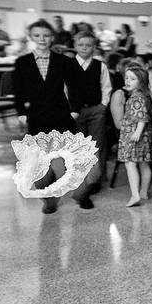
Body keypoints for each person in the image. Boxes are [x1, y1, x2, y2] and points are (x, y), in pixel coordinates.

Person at [13, 19, 78, 214]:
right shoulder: (22, 62)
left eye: (46, 35)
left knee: (62, 161)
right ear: (30, 37)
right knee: (40, 162)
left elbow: (74, 87)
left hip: (61, 115)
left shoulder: (63, 60)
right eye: (37, 35)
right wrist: (21, 113)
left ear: (52, 37)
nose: (42, 39)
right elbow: (18, 91)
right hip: (36, 116)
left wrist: (74, 110)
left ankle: (59, 192)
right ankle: (47, 198)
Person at [69, 30, 111, 208]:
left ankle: (94, 181)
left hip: (96, 111)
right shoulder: (68, 65)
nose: (84, 48)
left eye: (88, 45)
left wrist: (103, 105)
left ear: (94, 48)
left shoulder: (100, 66)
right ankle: (80, 180)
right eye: (81, 45)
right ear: (75, 46)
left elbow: (106, 87)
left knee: (96, 146)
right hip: (75, 112)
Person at [117, 65, 152, 207]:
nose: (128, 81)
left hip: (134, 134)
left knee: (130, 163)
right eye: (126, 78)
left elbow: (142, 117)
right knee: (144, 163)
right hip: (145, 135)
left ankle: (135, 195)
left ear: (141, 81)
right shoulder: (143, 95)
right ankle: (144, 192)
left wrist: (137, 133)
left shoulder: (136, 97)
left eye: (132, 79)